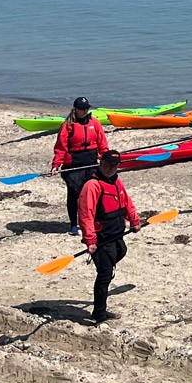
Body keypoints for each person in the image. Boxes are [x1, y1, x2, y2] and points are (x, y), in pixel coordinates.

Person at [77, 150, 140, 325]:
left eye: (114, 165)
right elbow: (85, 214)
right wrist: (90, 240)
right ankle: (99, 315)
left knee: (121, 251)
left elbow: (127, 202)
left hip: (116, 233)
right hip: (100, 237)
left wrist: (134, 220)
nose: (111, 168)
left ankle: (100, 308)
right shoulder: (92, 185)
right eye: (107, 164)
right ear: (101, 163)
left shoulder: (116, 181)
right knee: (104, 274)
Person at [51, 96, 110, 236]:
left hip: (91, 164)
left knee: (94, 193)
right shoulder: (68, 125)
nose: (84, 111)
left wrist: (105, 159)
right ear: (75, 109)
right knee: (74, 195)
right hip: (73, 166)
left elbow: (102, 143)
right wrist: (56, 164)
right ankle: (73, 224)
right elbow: (61, 147)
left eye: (87, 108)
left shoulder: (94, 123)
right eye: (82, 109)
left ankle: (94, 221)